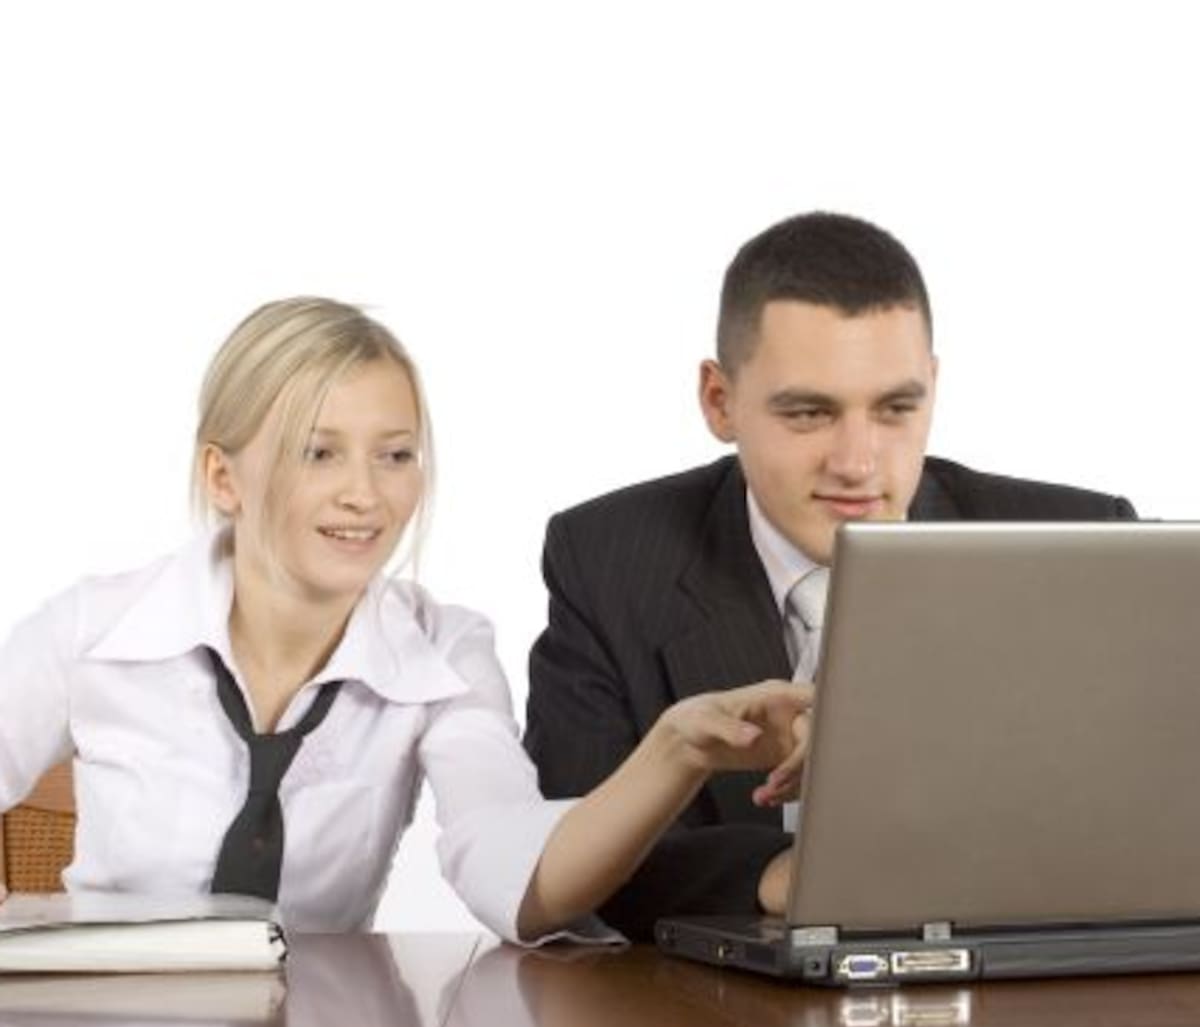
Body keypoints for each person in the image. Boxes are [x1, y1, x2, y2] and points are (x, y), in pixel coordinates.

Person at [0, 297, 812, 942]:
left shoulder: (443, 653)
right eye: (318, 453)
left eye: (395, 455)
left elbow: (514, 874)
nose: (366, 494)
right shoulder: (93, 629)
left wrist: (675, 749)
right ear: (223, 477)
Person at [524, 212, 1136, 940]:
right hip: (708, 1006)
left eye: (895, 409)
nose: (857, 463)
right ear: (720, 401)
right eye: (810, 413)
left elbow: (1129, 821)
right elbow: (574, 849)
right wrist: (794, 879)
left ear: (933, 387)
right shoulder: (605, 557)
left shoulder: (1079, 544)